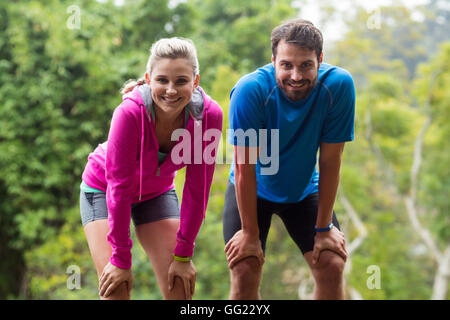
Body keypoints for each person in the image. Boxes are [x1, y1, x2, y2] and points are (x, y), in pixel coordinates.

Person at [79, 37, 223, 300]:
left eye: (181, 81)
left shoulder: (208, 117)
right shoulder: (130, 113)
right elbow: (118, 188)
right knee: (116, 291)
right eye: (162, 81)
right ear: (148, 79)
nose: (171, 90)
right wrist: (121, 259)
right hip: (103, 189)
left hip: (155, 193)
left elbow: (197, 187)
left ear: (196, 81)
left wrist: (184, 252)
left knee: (179, 287)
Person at [223, 19, 355, 299]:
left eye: (306, 65)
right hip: (252, 188)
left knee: (331, 264)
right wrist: (249, 233)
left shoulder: (339, 86)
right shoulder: (250, 91)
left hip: (304, 189)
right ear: (273, 61)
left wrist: (324, 228)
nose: (296, 75)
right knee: (245, 270)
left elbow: (331, 161)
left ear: (320, 59)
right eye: (286, 65)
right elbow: (244, 167)